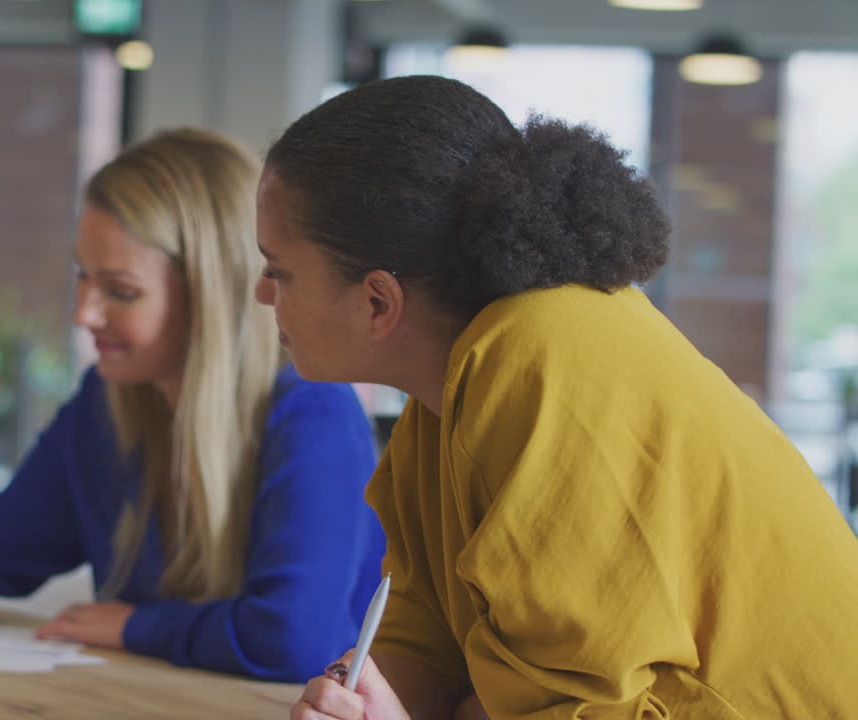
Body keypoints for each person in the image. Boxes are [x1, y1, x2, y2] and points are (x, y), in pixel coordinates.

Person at [263, 76, 858, 719]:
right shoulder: (446, 394)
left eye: (278, 270)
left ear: (378, 300)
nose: (264, 295)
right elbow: (422, 644)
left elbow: (588, 706)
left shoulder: (540, 352)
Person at [0, 128, 386, 682]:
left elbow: (295, 640)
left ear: (208, 294)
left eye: (120, 291)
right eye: (82, 278)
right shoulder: (107, 404)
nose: (83, 314)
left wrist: (133, 625)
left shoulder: (312, 412)